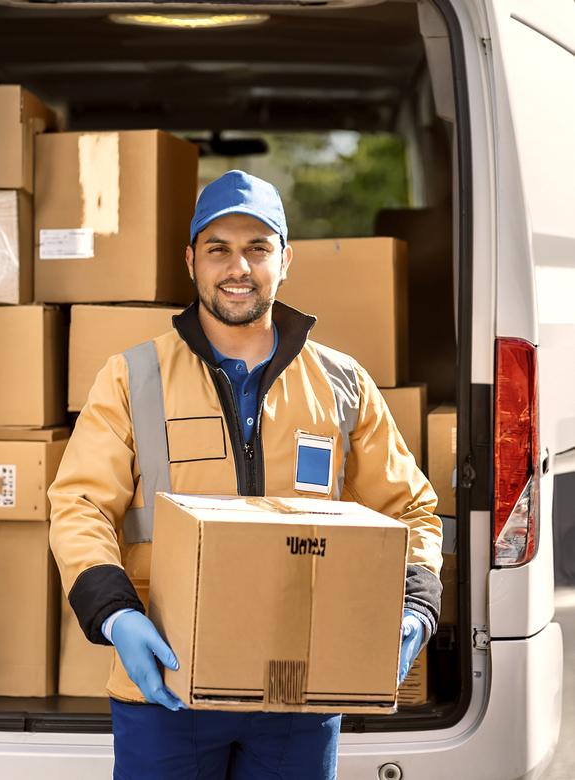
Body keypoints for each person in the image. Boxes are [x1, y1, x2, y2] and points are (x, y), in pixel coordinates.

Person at [48, 170, 442, 780]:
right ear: (191, 262)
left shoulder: (343, 384)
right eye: (219, 249)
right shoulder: (132, 377)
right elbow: (81, 504)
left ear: (285, 260)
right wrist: (116, 615)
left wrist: (415, 606)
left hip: (300, 687)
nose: (239, 268)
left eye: (258, 248)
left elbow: (408, 508)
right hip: (168, 678)